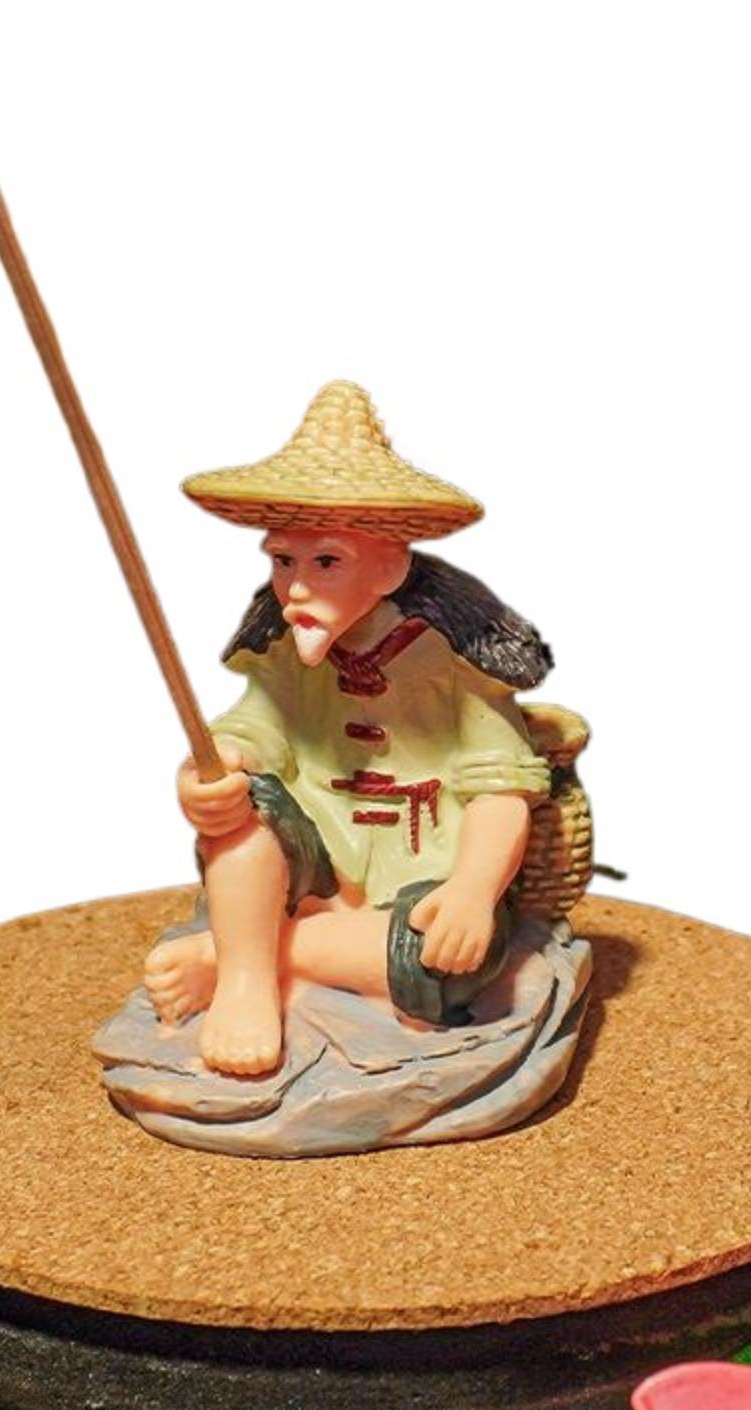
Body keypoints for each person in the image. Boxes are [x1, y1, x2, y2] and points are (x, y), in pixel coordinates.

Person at [143, 381, 557, 1075]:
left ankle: (245, 952)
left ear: (389, 565)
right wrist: (212, 772)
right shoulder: (284, 647)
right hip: (317, 863)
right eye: (284, 561)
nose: (297, 586)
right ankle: (247, 984)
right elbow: (255, 729)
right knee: (241, 808)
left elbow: (499, 789)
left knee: (441, 962)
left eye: (326, 562)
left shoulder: (458, 661)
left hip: (423, 879)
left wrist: (473, 890)